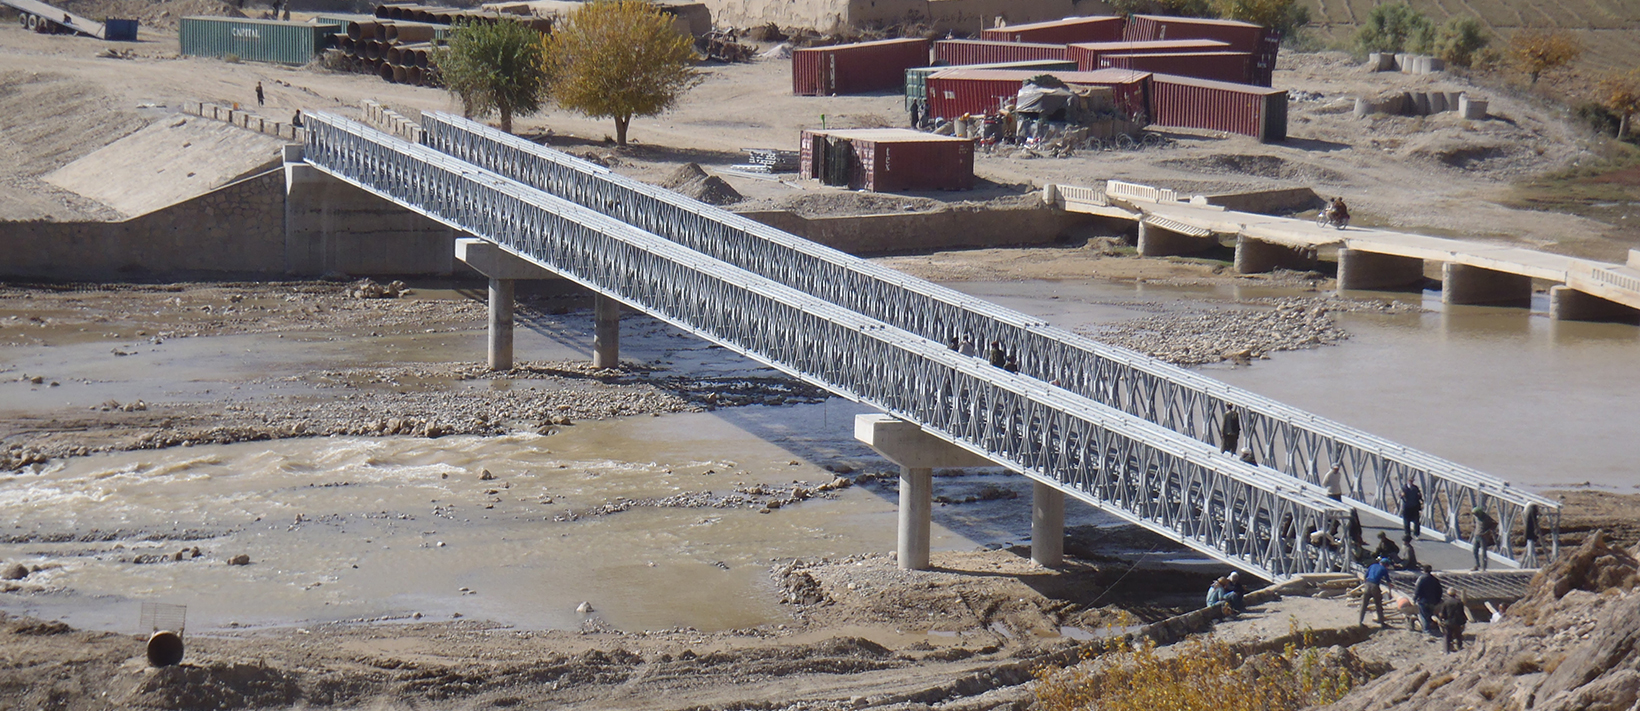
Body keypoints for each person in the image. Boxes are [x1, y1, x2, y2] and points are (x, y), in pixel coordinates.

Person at [1360, 557, 1390, 627]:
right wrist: (1390, 588)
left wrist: (1366, 584)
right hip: (1375, 586)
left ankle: (1360, 622)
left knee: (1364, 604)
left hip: (1367, 585)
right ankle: (1382, 622)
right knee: (1378, 604)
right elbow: (1388, 581)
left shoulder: (1372, 565)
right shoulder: (1384, 569)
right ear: (1386, 565)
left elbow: (1365, 576)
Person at [1413, 564, 1443, 636]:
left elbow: (1417, 590)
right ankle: (1431, 627)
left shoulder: (1421, 579)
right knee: (1429, 615)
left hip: (1423, 601)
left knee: (1423, 616)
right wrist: (1437, 600)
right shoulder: (1435, 579)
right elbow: (1440, 590)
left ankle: (1427, 631)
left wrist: (1414, 599)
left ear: (1423, 570)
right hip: (1432, 601)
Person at [1472, 506, 1498, 571]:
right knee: (1474, 551)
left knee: (1483, 552)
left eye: (1476, 514)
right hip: (1476, 536)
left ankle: (1484, 567)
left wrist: (1487, 532)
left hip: (1483, 537)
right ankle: (1477, 565)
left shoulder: (1486, 518)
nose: (1476, 515)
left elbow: (1495, 524)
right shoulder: (1477, 517)